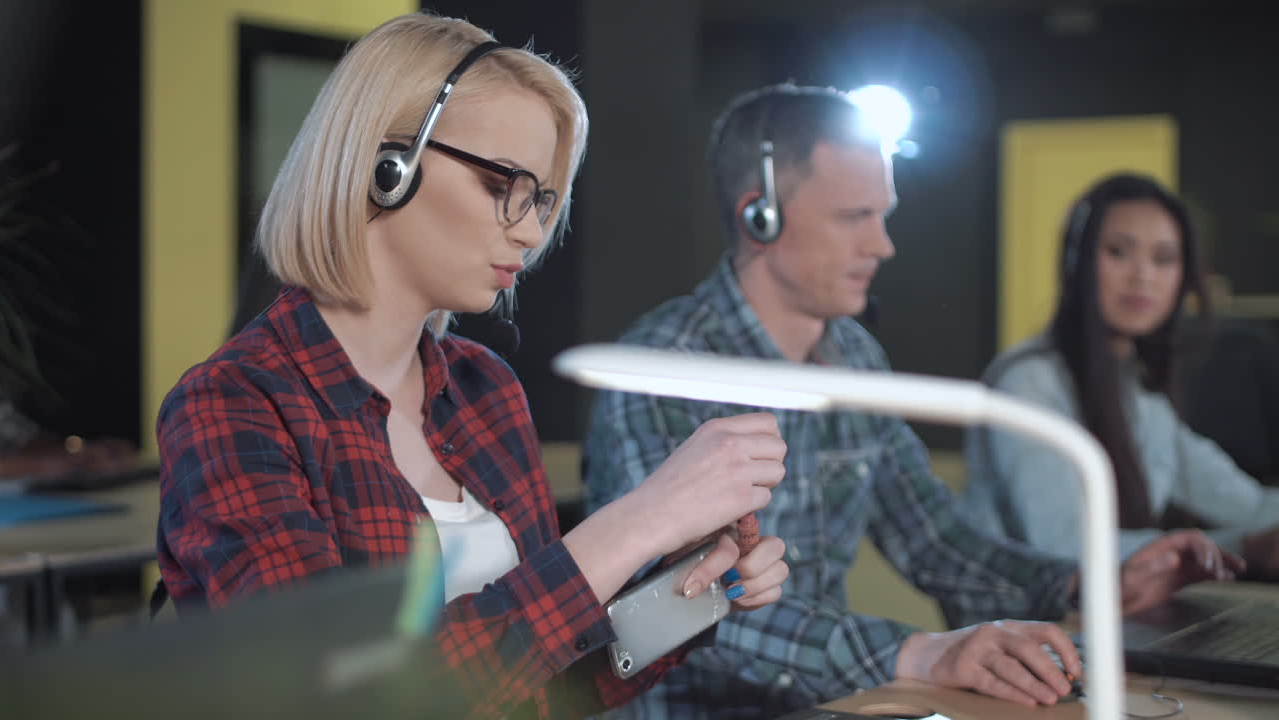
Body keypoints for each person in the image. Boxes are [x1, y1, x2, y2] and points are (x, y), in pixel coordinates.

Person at [154, 14, 789, 719]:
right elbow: (336, 699)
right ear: (386, 166)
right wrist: (636, 523)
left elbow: (548, 681)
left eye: (543, 199)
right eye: (503, 185)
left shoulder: (484, 389)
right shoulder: (231, 403)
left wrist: (692, 589)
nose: (530, 230)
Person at [583, 84, 1240, 719]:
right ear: (760, 215)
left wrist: (1085, 585)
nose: (883, 245)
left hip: (836, 706)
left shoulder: (857, 359)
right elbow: (671, 612)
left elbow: (936, 539)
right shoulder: (663, 369)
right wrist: (918, 655)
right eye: (854, 217)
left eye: (883, 215)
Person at [964, 172, 1279, 574]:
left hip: (1112, 614)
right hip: (1033, 627)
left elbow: (1244, 502)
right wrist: (1243, 548)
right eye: (1118, 252)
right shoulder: (1029, 382)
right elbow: (1064, 544)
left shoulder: (1137, 386)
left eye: (1164, 259)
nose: (1143, 276)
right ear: (1075, 259)